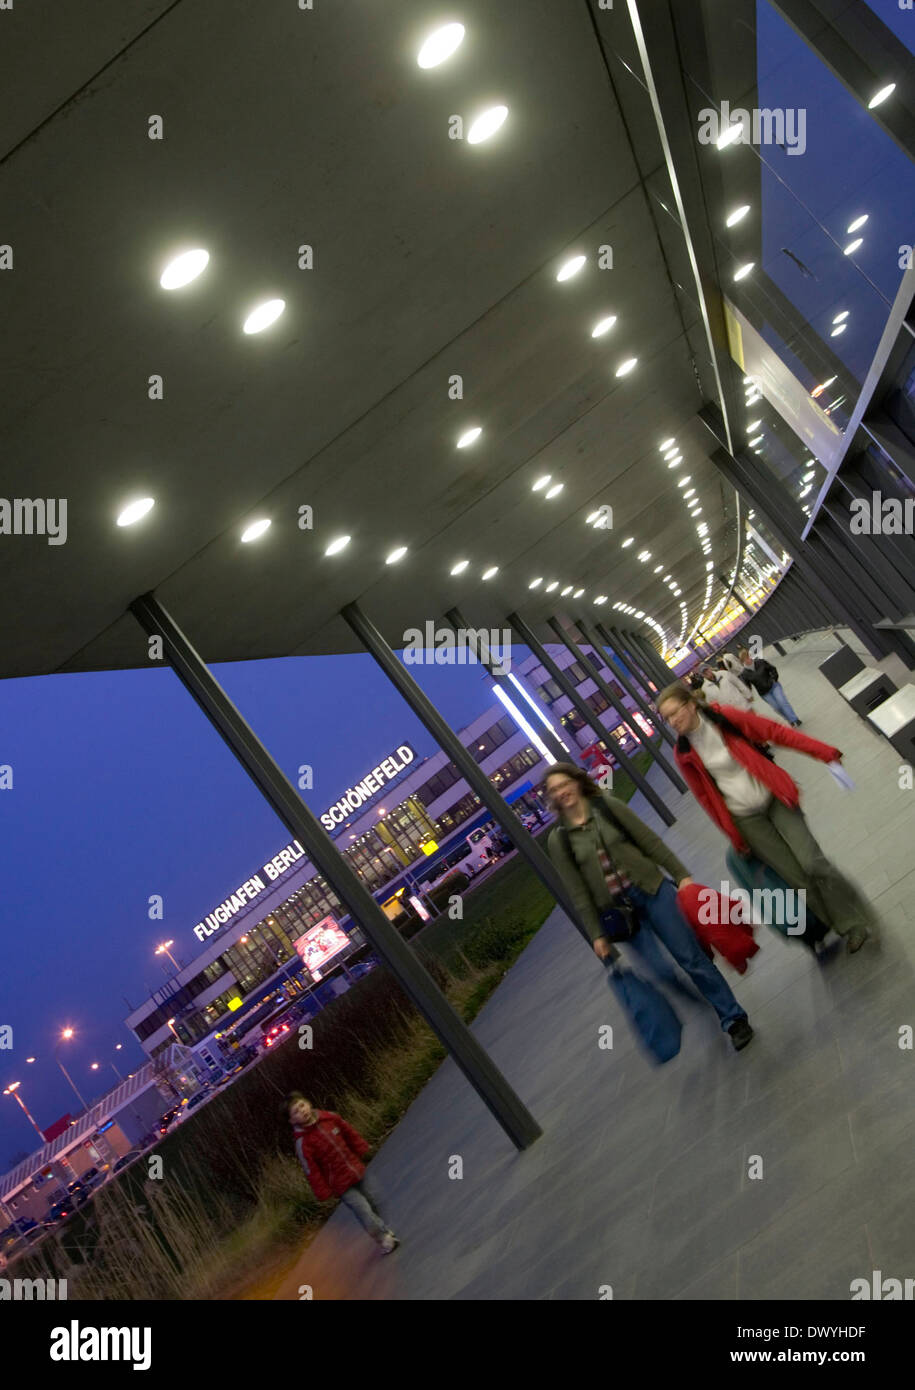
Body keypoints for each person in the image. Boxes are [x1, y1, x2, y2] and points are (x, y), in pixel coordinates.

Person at [544, 762, 753, 1051]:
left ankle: (733, 1018)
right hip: (621, 916)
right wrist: (597, 935)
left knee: (691, 959)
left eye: (563, 784)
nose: (561, 792)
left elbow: (649, 842)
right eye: (553, 790)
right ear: (551, 798)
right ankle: (703, 999)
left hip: (653, 891)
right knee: (660, 972)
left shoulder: (606, 807)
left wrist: (682, 876)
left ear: (577, 782)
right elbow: (577, 892)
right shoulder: (559, 840)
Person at [656, 683, 872, 953]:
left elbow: (774, 732)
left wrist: (824, 752)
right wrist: (733, 835)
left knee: (812, 863)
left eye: (675, 712)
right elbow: (705, 799)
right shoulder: (684, 753)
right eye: (667, 718)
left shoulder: (723, 717)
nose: (673, 721)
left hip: (774, 798)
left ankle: (854, 920)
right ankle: (839, 924)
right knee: (798, 879)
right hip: (747, 820)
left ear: (690, 704)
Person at [286, 1093, 399, 1253]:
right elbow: (311, 1170)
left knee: (375, 1200)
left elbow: (349, 1133)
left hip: (356, 1170)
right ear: (292, 1121)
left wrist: (361, 1147)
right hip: (341, 1185)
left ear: (308, 1103)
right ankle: (384, 1239)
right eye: (296, 1111)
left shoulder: (329, 1118)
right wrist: (323, 1192)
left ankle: (384, 1229)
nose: (302, 1111)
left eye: (302, 1105)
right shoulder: (303, 1143)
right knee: (364, 1211)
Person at [738, 647, 801, 726]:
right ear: (742, 661)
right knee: (777, 707)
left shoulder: (760, 662)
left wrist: (774, 678)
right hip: (764, 693)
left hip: (774, 686)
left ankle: (795, 719)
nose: (749, 659)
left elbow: (772, 669)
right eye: (746, 659)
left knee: (782, 702)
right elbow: (747, 687)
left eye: (749, 656)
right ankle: (789, 720)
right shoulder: (744, 674)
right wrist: (748, 696)